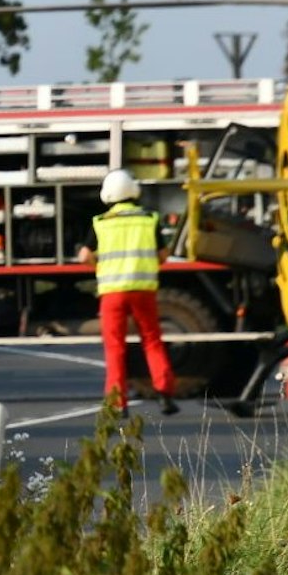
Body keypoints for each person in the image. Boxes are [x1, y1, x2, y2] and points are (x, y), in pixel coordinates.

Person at [77, 169, 179, 415]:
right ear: (133, 191)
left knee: (115, 347)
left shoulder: (101, 223)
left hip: (112, 292)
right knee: (152, 340)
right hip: (143, 290)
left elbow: (84, 256)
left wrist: (99, 266)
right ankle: (164, 393)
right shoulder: (149, 219)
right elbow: (163, 256)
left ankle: (117, 403)